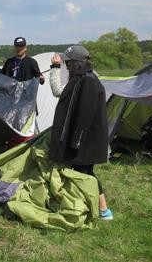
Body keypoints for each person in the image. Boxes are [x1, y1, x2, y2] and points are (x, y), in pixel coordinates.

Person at [49, 45, 113, 221]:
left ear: (77, 62)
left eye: (68, 63)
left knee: (86, 174)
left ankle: (104, 210)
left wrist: (75, 141)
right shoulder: (81, 79)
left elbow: (85, 113)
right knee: (81, 172)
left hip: (85, 140)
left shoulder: (88, 80)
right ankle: (85, 206)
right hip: (82, 139)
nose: (67, 66)